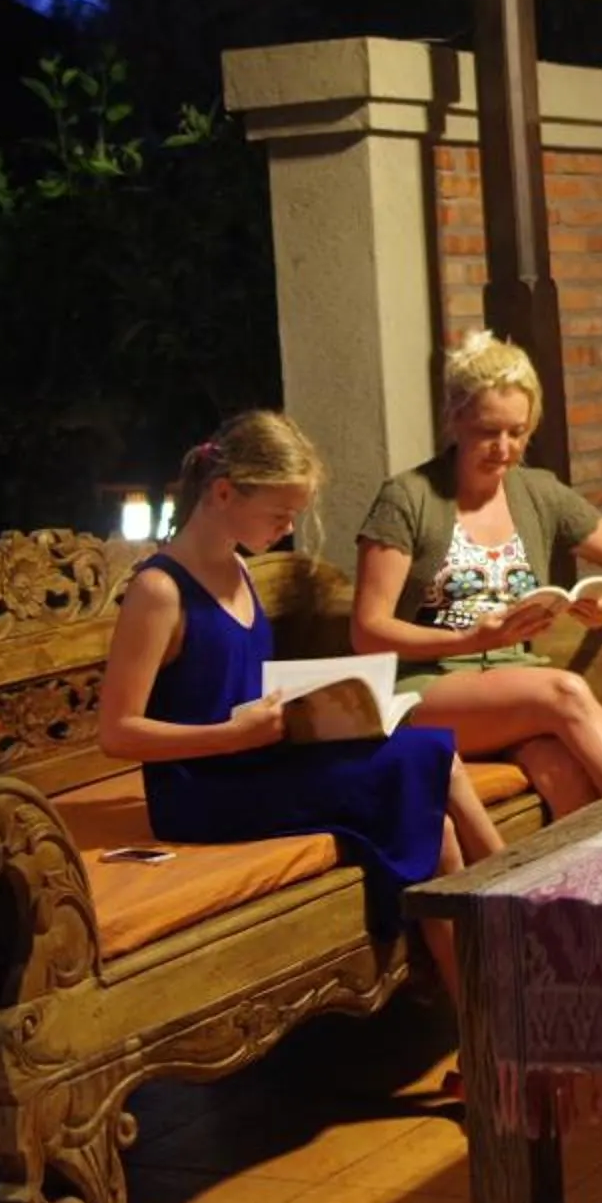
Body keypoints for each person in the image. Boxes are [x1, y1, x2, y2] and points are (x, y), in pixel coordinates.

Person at [97, 410, 505, 1006]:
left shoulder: (237, 566)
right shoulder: (159, 590)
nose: (288, 528)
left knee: (428, 776)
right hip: (203, 789)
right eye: (279, 514)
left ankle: (488, 1004)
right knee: (423, 766)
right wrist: (227, 736)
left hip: (257, 758)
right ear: (223, 493)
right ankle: (527, 924)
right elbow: (117, 732)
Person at [354, 331, 602, 817]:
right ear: (456, 420)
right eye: (487, 431)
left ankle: (593, 886)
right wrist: (467, 640)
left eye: (517, 432)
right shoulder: (407, 497)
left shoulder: (538, 493)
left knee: (557, 768)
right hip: (424, 688)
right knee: (564, 692)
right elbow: (368, 631)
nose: (503, 447)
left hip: (513, 686)